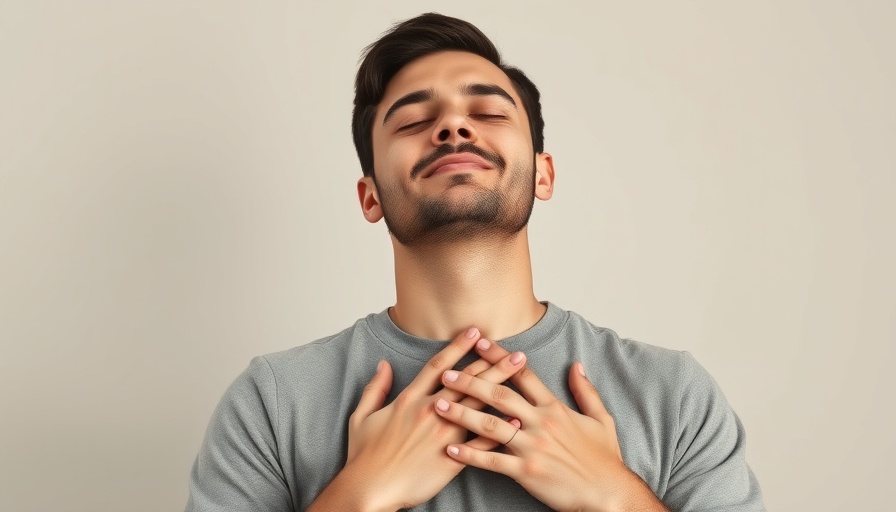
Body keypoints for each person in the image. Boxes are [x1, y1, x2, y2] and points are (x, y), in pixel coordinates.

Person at [186, 12, 765, 512]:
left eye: (487, 112)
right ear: (370, 197)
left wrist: (612, 494)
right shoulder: (273, 400)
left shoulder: (672, 394)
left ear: (544, 173)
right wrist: (360, 493)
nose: (452, 126)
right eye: (413, 122)